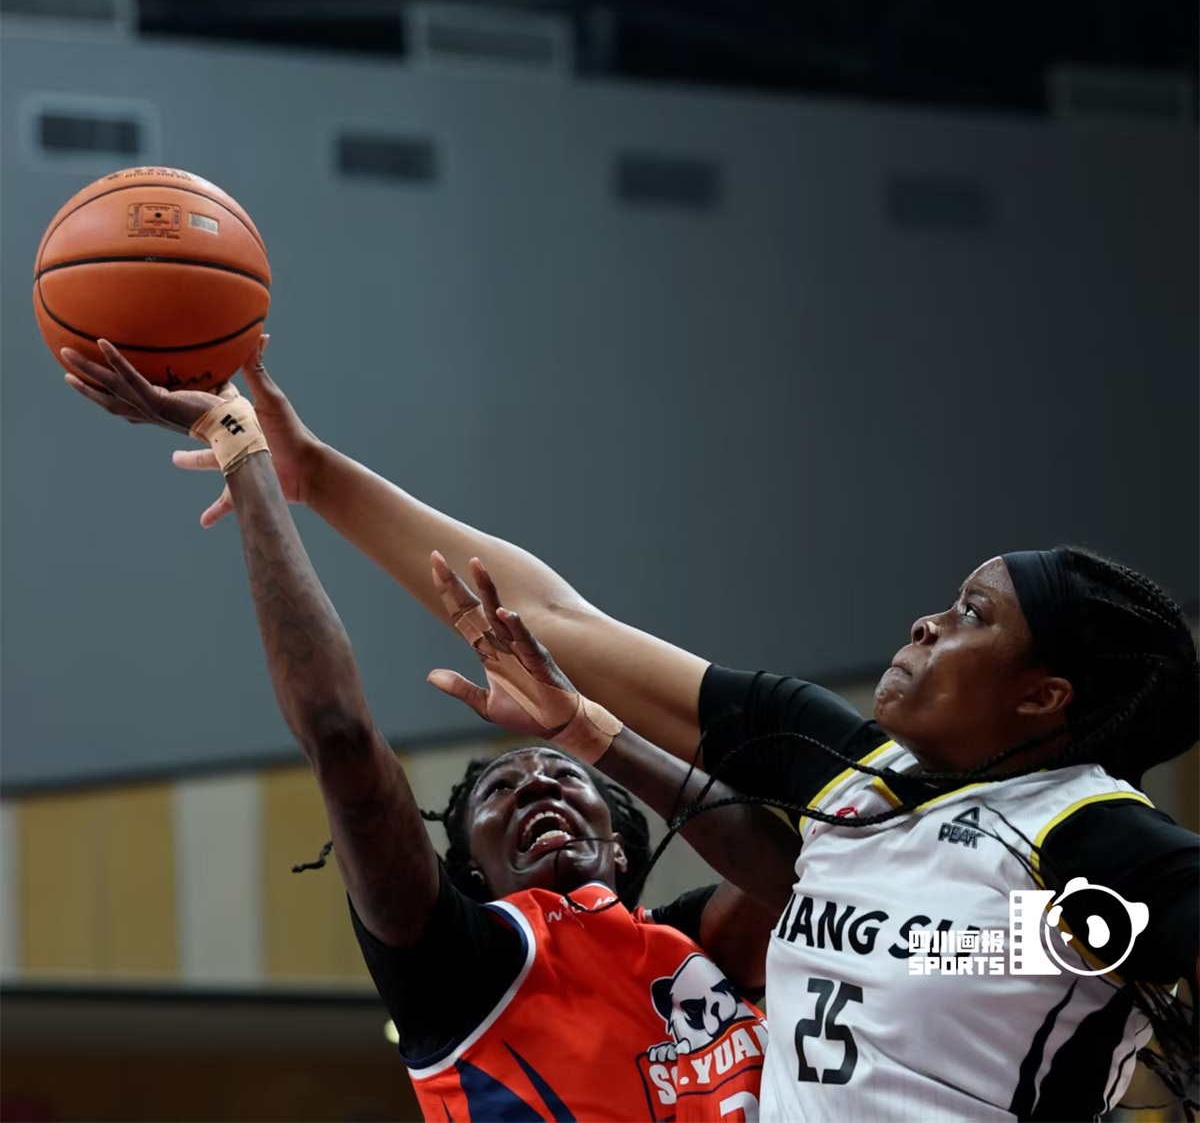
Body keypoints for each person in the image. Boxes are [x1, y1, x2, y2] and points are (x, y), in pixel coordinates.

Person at [159, 336, 1200, 1122]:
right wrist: (315, 476)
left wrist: (1056, 943)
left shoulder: (1083, 833)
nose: (929, 620)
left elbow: (994, 935)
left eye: (973, 613)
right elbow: (556, 622)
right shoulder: (846, 779)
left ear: (1043, 696)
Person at [63, 340, 786, 1123]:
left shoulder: (695, 947)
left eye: (563, 774)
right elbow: (340, 735)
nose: (538, 783)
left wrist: (589, 732)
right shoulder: (467, 970)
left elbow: (792, 871)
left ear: (621, 845)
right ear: (470, 869)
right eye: (501, 790)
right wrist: (242, 446)